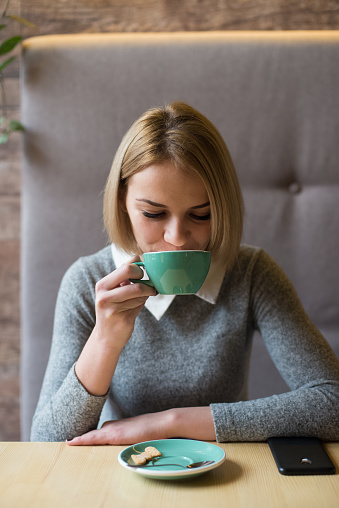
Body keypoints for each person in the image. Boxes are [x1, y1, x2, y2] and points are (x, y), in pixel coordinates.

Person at [30, 101, 339, 444]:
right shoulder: (88, 281)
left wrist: (169, 424)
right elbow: (46, 443)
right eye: (153, 214)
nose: (177, 237)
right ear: (121, 200)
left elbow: (333, 403)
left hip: (228, 477)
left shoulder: (251, 273)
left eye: (201, 215)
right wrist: (105, 340)